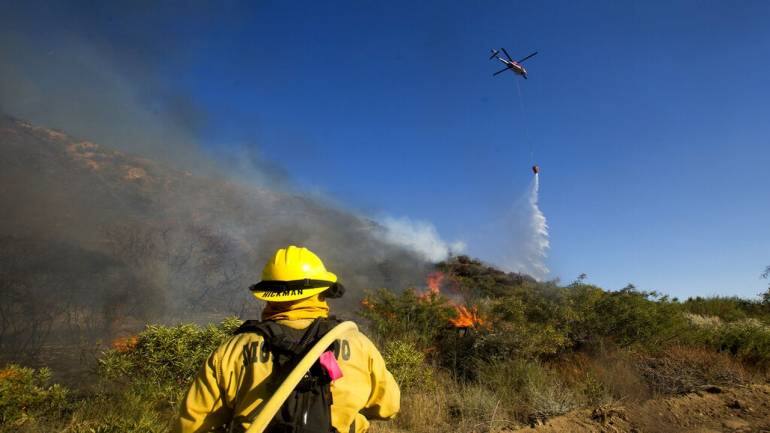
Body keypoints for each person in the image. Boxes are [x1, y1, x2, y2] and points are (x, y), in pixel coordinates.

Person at [173, 245, 400, 433]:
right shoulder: (358, 344)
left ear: (268, 296)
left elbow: (191, 426)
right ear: (321, 292)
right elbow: (388, 406)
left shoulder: (234, 349)